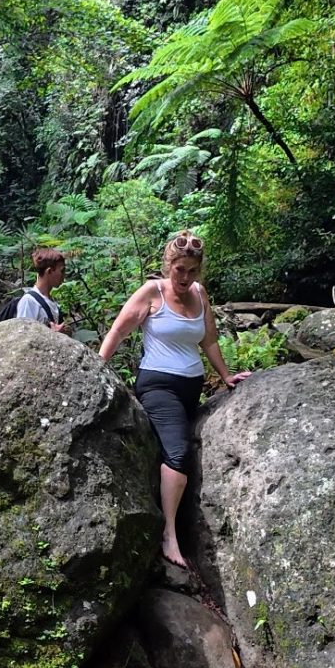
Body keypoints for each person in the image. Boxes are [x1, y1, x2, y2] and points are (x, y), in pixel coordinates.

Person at [98, 231, 249, 567]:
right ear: (169, 266)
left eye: (192, 271)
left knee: (175, 450)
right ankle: (169, 535)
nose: (185, 278)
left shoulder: (199, 293)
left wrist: (225, 376)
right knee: (178, 453)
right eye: (179, 270)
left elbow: (208, 340)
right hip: (157, 385)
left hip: (190, 385)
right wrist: (97, 367)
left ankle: (172, 518)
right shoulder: (153, 293)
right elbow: (118, 331)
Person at [16, 248, 67, 332]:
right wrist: (54, 334)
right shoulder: (29, 302)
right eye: (62, 271)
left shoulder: (51, 300)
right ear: (49, 271)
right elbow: (23, 336)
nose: (64, 275)